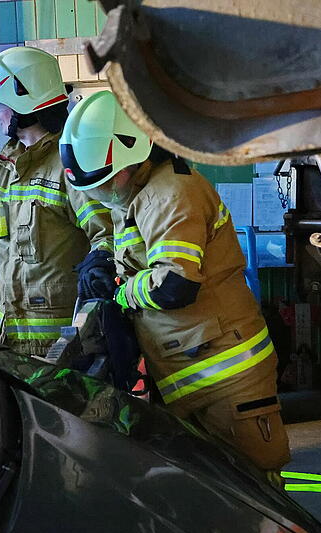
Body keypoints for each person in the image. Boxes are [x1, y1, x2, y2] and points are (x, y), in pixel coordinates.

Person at [59, 90, 290, 472]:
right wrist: (105, 261)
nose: (97, 192)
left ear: (131, 158)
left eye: (102, 180)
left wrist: (120, 292)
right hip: (193, 372)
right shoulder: (135, 192)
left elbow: (173, 286)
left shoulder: (171, 194)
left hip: (227, 377)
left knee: (255, 490)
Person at [0, 47, 115, 357]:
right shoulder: (4, 165)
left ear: (25, 104)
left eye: (1, 106)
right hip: (9, 335)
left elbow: (107, 234)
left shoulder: (69, 164)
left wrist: (100, 270)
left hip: (61, 344)